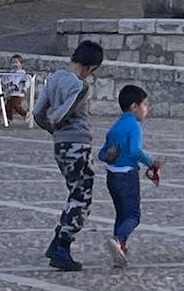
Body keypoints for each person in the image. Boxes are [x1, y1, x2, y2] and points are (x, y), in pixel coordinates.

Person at [33, 39, 103, 272]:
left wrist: (53, 131)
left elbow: (37, 112)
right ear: (91, 67)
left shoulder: (54, 78)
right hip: (78, 144)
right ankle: (63, 246)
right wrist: (58, 124)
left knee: (74, 194)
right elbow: (63, 112)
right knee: (82, 198)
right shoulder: (80, 85)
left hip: (60, 146)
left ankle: (56, 243)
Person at [97, 83, 163, 268]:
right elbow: (135, 151)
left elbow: (102, 154)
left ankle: (121, 249)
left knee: (121, 213)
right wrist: (151, 163)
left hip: (112, 176)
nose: (146, 110)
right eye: (145, 105)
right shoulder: (134, 126)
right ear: (134, 106)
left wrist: (109, 156)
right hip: (127, 175)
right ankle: (119, 240)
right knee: (133, 215)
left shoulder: (115, 127)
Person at [3, 54, 30, 124]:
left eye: (16, 62)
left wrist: (25, 88)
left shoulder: (23, 74)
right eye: (13, 62)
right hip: (11, 93)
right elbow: (7, 81)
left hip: (19, 93)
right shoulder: (10, 74)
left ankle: (25, 114)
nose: (14, 64)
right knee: (8, 106)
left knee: (15, 105)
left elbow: (27, 81)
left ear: (21, 64)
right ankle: (9, 118)